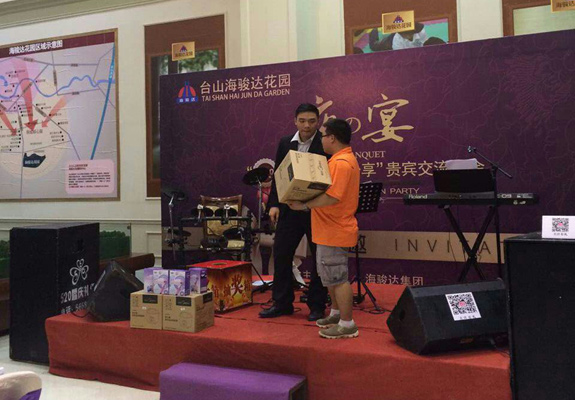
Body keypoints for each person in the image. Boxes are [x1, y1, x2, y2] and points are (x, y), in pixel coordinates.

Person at [287, 118, 360, 339]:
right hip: (327, 229)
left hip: (335, 229)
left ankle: (347, 324)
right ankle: (336, 314)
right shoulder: (338, 160)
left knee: (338, 278)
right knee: (329, 276)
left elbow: (332, 197)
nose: (321, 140)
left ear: (333, 138)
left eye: (323, 135)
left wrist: (304, 205)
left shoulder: (341, 163)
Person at [259, 103, 328, 321]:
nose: (307, 125)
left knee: (319, 258)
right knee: (281, 253)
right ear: (295, 121)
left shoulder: (324, 143)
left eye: (311, 121)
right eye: (302, 121)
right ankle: (282, 303)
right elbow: (279, 175)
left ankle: (317, 305)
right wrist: (274, 204)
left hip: (315, 209)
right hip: (289, 208)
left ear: (318, 122)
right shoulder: (285, 142)